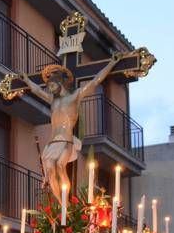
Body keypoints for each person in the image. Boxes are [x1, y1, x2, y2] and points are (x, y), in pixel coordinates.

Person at [19, 54, 123, 201]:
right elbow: (37, 91)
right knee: (50, 170)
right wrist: (27, 80)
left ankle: (65, 203)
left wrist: (111, 63)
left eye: (52, 86)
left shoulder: (75, 96)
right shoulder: (53, 100)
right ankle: (61, 204)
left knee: (60, 166)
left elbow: (95, 81)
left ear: (60, 83)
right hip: (52, 142)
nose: (50, 89)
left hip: (66, 140)